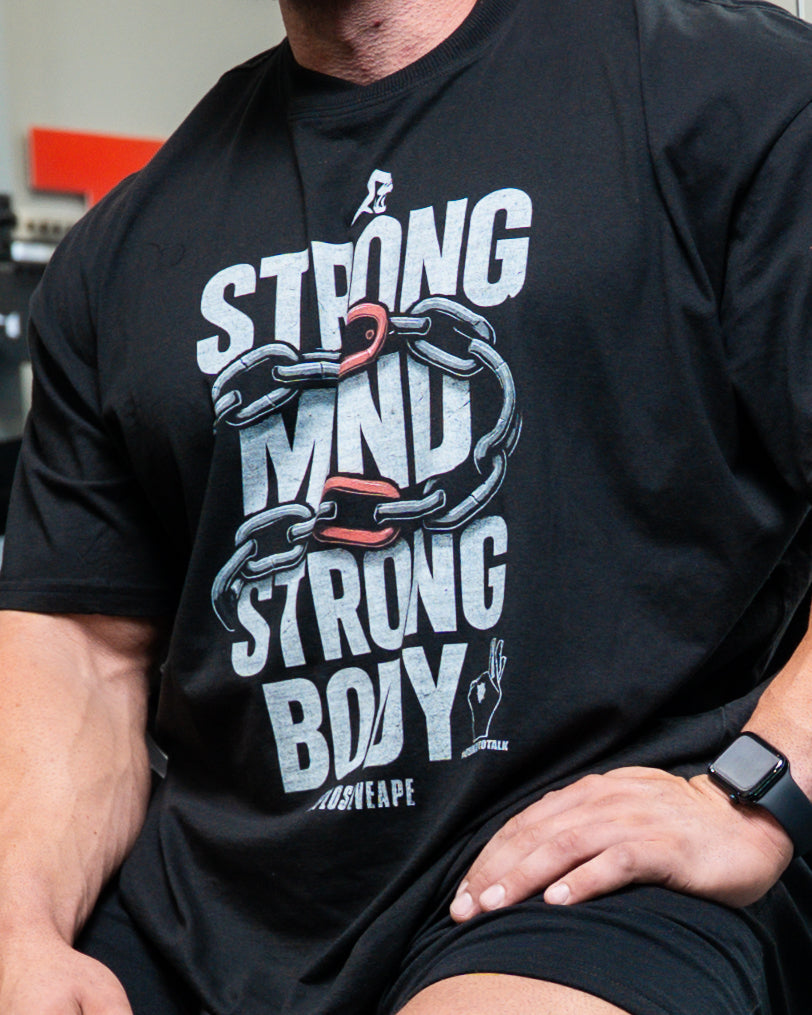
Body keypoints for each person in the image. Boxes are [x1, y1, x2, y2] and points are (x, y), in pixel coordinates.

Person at [2, 0, 812, 1011]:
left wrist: (757, 788)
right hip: (204, 919)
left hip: (578, 884)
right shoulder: (125, 244)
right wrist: (18, 927)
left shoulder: (734, 97)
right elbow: (82, 648)